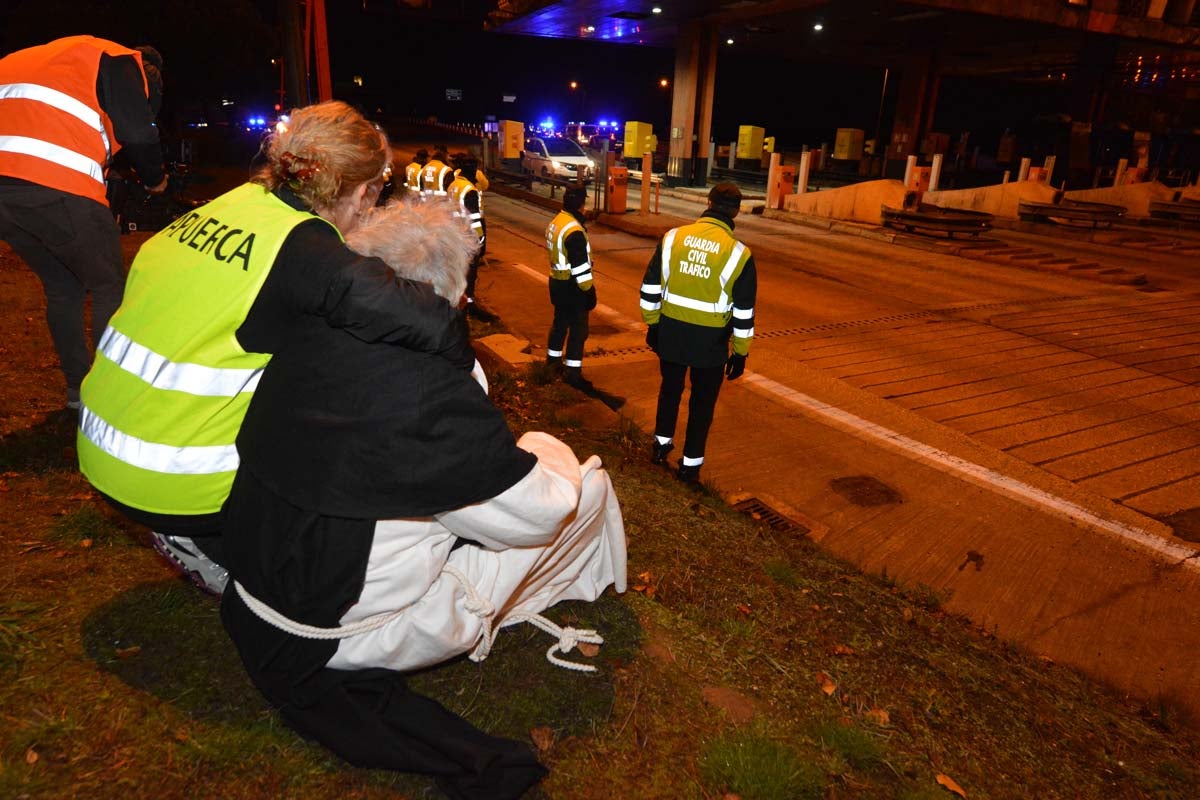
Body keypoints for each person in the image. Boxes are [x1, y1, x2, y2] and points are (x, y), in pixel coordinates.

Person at [219, 197, 626, 799]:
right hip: (342, 634)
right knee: (582, 486)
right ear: (451, 296)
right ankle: (579, 587)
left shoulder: (302, 337)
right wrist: (549, 456)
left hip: (255, 593)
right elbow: (540, 514)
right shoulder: (428, 396)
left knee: (466, 498)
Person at [76, 100, 472, 594]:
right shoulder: (307, 252)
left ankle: (199, 530)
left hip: (101, 442)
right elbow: (431, 323)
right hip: (173, 479)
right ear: (358, 192)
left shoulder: (230, 205)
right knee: (342, 394)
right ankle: (222, 551)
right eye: (373, 192)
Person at [0, 36, 167, 410]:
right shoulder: (123, 61)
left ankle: (77, 390)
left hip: (6, 190)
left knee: (63, 288)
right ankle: (108, 394)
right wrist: (156, 177)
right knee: (109, 285)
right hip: (55, 181)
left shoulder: (46, 56)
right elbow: (138, 131)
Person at [640, 183, 757, 485]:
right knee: (701, 405)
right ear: (736, 211)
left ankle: (660, 446)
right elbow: (743, 313)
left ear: (708, 202)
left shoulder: (672, 238)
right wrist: (740, 353)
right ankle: (690, 467)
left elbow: (650, 289)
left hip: (672, 333)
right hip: (711, 345)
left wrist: (653, 325)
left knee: (669, 392)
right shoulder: (739, 254)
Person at [545, 186, 597, 388]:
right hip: (573, 287)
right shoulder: (574, 230)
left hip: (557, 282)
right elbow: (581, 269)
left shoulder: (558, 221)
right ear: (581, 205)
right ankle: (573, 374)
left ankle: (552, 363)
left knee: (559, 325)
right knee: (578, 331)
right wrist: (589, 292)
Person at [448, 153, 485, 309]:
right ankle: (467, 304)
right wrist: (480, 241)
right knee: (470, 273)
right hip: (466, 237)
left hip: (452, 233)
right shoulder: (470, 190)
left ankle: (455, 300)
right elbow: (475, 221)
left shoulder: (453, 184)